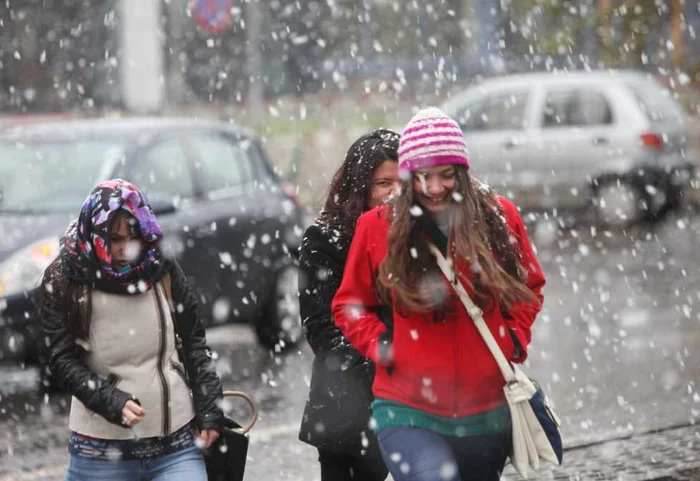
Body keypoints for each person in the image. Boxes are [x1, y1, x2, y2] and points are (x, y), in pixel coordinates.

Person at [331, 108, 546, 481]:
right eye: (423, 177)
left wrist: (513, 338)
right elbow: (349, 305)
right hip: (407, 408)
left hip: (486, 412)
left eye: (446, 175)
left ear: (462, 172)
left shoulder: (499, 217)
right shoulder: (376, 226)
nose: (434, 188)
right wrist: (383, 345)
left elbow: (529, 286)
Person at [39, 179, 223, 481]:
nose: (125, 249)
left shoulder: (161, 267)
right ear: (94, 231)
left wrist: (209, 408)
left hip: (176, 447)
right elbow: (60, 360)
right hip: (99, 457)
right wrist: (112, 400)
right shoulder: (66, 278)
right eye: (114, 238)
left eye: (134, 236)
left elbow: (194, 343)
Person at [298, 129, 401, 480]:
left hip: (405, 397)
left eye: (401, 181)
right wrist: (382, 359)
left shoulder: (417, 234)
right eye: (383, 183)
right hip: (347, 401)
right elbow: (321, 326)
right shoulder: (325, 238)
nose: (394, 192)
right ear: (360, 186)